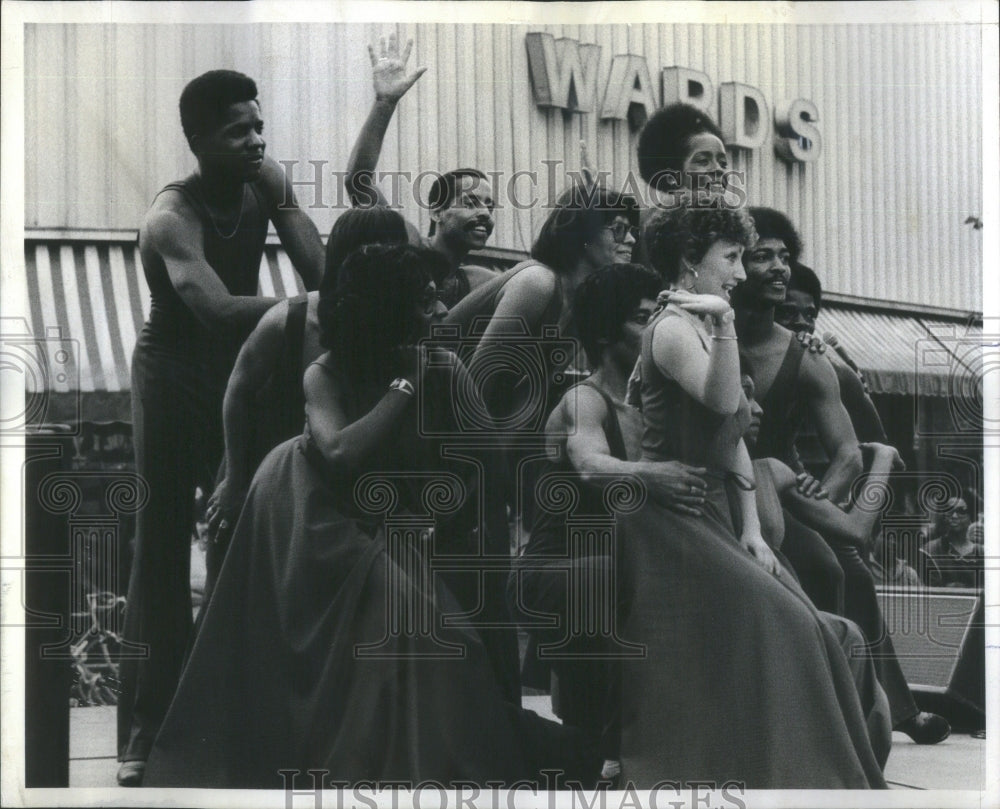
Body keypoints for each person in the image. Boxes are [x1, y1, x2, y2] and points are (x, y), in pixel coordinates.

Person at [142, 243, 596, 788]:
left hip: (384, 517)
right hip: (307, 508)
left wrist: (445, 509)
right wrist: (405, 386)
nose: (439, 314)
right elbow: (337, 456)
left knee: (449, 636)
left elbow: (486, 456)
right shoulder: (325, 373)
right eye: (425, 302)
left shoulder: (446, 365)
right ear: (387, 311)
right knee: (400, 626)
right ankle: (366, 764)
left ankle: (415, 761)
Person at [617, 204, 886, 788]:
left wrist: (753, 529)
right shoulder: (671, 327)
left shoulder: (701, 323)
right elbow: (721, 405)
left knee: (806, 626)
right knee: (783, 626)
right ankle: (769, 774)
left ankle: (777, 773)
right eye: (732, 257)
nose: (740, 273)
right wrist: (725, 321)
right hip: (670, 519)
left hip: (711, 509)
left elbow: (733, 438)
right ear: (691, 260)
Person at [117, 69, 325, 786]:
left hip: (239, 372)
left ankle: (235, 712)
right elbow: (210, 308)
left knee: (245, 531)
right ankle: (144, 729)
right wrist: (309, 309)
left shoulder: (266, 178)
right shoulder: (169, 216)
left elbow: (320, 267)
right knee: (162, 547)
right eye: (239, 130)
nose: (257, 139)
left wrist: (331, 292)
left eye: (259, 126)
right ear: (199, 139)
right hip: (172, 375)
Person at [509, 263, 708, 782]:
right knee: (633, 578)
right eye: (643, 319)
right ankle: (609, 750)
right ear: (604, 334)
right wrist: (652, 474)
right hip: (551, 574)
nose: (657, 331)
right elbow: (591, 466)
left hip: (611, 574)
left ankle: (616, 748)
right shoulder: (583, 400)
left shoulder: (656, 406)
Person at [203, 207, 411, 595]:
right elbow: (238, 390)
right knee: (238, 603)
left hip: (329, 490)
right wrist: (234, 479)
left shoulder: (396, 326)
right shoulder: (290, 319)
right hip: (261, 471)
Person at [741, 370, 949, 746]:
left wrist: (881, 460)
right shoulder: (682, 471)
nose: (759, 409)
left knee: (845, 617)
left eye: (757, 395)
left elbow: (856, 528)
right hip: (744, 616)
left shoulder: (770, 471)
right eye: (744, 395)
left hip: (773, 613)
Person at [345, 35, 496, 306]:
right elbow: (358, 181)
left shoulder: (476, 281)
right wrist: (385, 104)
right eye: (471, 202)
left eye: (489, 206)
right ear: (436, 211)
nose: (484, 213)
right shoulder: (406, 242)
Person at [732, 208, 862, 503]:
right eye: (762, 256)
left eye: (785, 258)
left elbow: (848, 453)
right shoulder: (697, 336)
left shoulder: (807, 358)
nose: (780, 267)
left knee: (832, 551)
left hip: (783, 500)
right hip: (713, 498)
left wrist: (821, 498)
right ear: (732, 264)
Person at [775, 260, 888, 442]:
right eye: (788, 312)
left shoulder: (824, 364)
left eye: (810, 315)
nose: (803, 322)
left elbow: (875, 438)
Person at [919, 497, 984, 588]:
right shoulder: (930, 550)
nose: (954, 516)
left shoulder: (981, 552)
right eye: (949, 511)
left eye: (961, 511)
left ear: (971, 517)